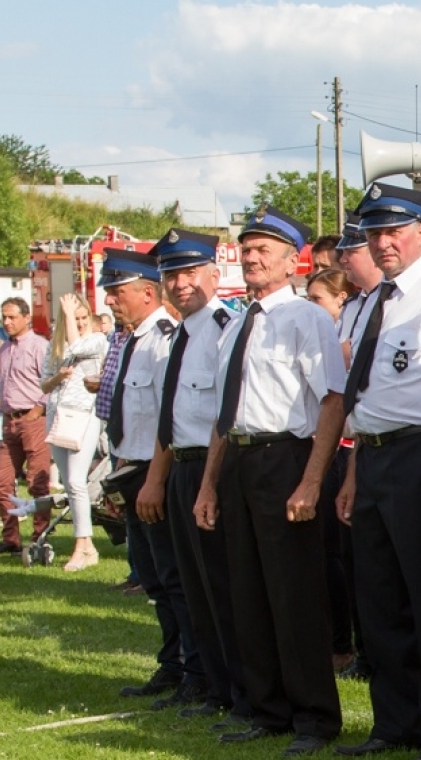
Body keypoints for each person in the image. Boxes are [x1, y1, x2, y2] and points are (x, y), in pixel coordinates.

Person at [193, 205, 346, 757]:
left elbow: (332, 399)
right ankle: (267, 708)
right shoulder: (236, 323)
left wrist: (311, 481)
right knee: (248, 590)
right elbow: (224, 412)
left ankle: (314, 717)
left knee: (294, 592)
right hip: (238, 458)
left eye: (265, 251)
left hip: (285, 457)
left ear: (291, 261)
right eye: (247, 249)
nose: (253, 258)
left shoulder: (307, 319)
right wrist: (210, 485)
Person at [331, 183, 421, 760]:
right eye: (372, 232)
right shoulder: (362, 304)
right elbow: (365, 399)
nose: (382, 243)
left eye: (394, 230)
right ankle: (393, 721)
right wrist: (353, 473)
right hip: (374, 454)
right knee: (380, 597)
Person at [150, 228, 251, 725]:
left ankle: (237, 687)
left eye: (190, 272)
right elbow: (172, 414)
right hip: (182, 468)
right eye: (171, 274)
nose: (181, 283)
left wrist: (209, 483)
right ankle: (211, 684)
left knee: (221, 585)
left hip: (214, 470)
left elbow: (224, 418)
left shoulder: (224, 328)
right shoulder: (181, 334)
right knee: (193, 586)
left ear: (215, 273)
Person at [102, 250, 207, 709]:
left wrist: (154, 481)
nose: (110, 301)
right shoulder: (134, 339)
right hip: (133, 470)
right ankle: (172, 662)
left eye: (117, 292)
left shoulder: (163, 338)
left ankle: (193, 667)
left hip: (154, 473)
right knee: (154, 577)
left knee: (174, 575)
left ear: (148, 292)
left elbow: (168, 418)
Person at [329, 213, 382, 679]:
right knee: (361, 566)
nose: (344, 258)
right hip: (359, 444)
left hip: (410, 450)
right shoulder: (355, 307)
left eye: (353, 249)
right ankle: (370, 653)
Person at [41, 292, 106, 570]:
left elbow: (77, 347)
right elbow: (44, 385)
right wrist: (59, 377)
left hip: (86, 415)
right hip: (58, 417)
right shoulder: (55, 346)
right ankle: (86, 546)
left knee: (78, 482)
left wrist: (68, 315)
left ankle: (83, 544)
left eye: (82, 318)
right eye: (74, 318)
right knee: (69, 484)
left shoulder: (96, 340)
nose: (79, 323)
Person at [0, 298, 51, 556]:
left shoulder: (40, 346)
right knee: (1, 481)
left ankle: (40, 537)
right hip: (10, 421)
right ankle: (11, 537)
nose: (6, 322)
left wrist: (38, 410)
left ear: (26, 317)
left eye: (12, 317)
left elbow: (51, 382)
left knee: (37, 482)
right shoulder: (4, 349)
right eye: (4, 317)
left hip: (33, 419)